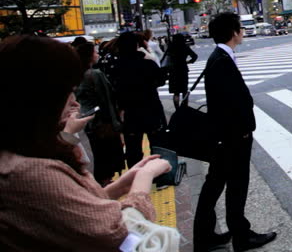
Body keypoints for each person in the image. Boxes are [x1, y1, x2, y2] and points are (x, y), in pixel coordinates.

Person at [0, 35, 171, 251]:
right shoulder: (30, 172)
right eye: (67, 91)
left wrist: (121, 186)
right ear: (39, 97)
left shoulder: (20, 151)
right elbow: (116, 232)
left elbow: (74, 209)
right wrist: (143, 182)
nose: (73, 101)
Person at [194, 12, 277, 252]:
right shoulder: (221, 59)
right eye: (239, 27)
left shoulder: (219, 56)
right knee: (235, 185)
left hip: (224, 135)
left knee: (215, 184)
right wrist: (241, 132)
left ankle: (206, 235)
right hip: (232, 136)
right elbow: (232, 101)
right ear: (233, 32)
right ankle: (241, 236)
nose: (242, 31)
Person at [72, 40, 125, 185]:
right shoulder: (95, 74)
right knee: (107, 156)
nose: (97, 54)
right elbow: (107, 100)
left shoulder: (77, 75)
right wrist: (116, 123)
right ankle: (105, 183)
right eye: (94, 52)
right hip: (102, 121)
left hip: (87, 122)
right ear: (89, 56)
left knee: (98, 155)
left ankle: (102, 181)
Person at [115, 31, 167, 168]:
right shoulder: (148, 64)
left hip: (130, 112)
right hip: (152, 108)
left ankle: (135, 175)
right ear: (137, 45)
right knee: (157, 144)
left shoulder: (117, 67)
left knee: (133, 148)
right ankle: (159, 174)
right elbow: (161, 80)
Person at [165, 33, 198, 108]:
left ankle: (177, 109)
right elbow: (195, 56)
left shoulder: (170, 47)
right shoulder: (185, 47)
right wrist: (188, 62)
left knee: (176, 93)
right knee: (184, 90)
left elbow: (166, 59)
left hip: (173, 71)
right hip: (183, 70)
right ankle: (184, 108)